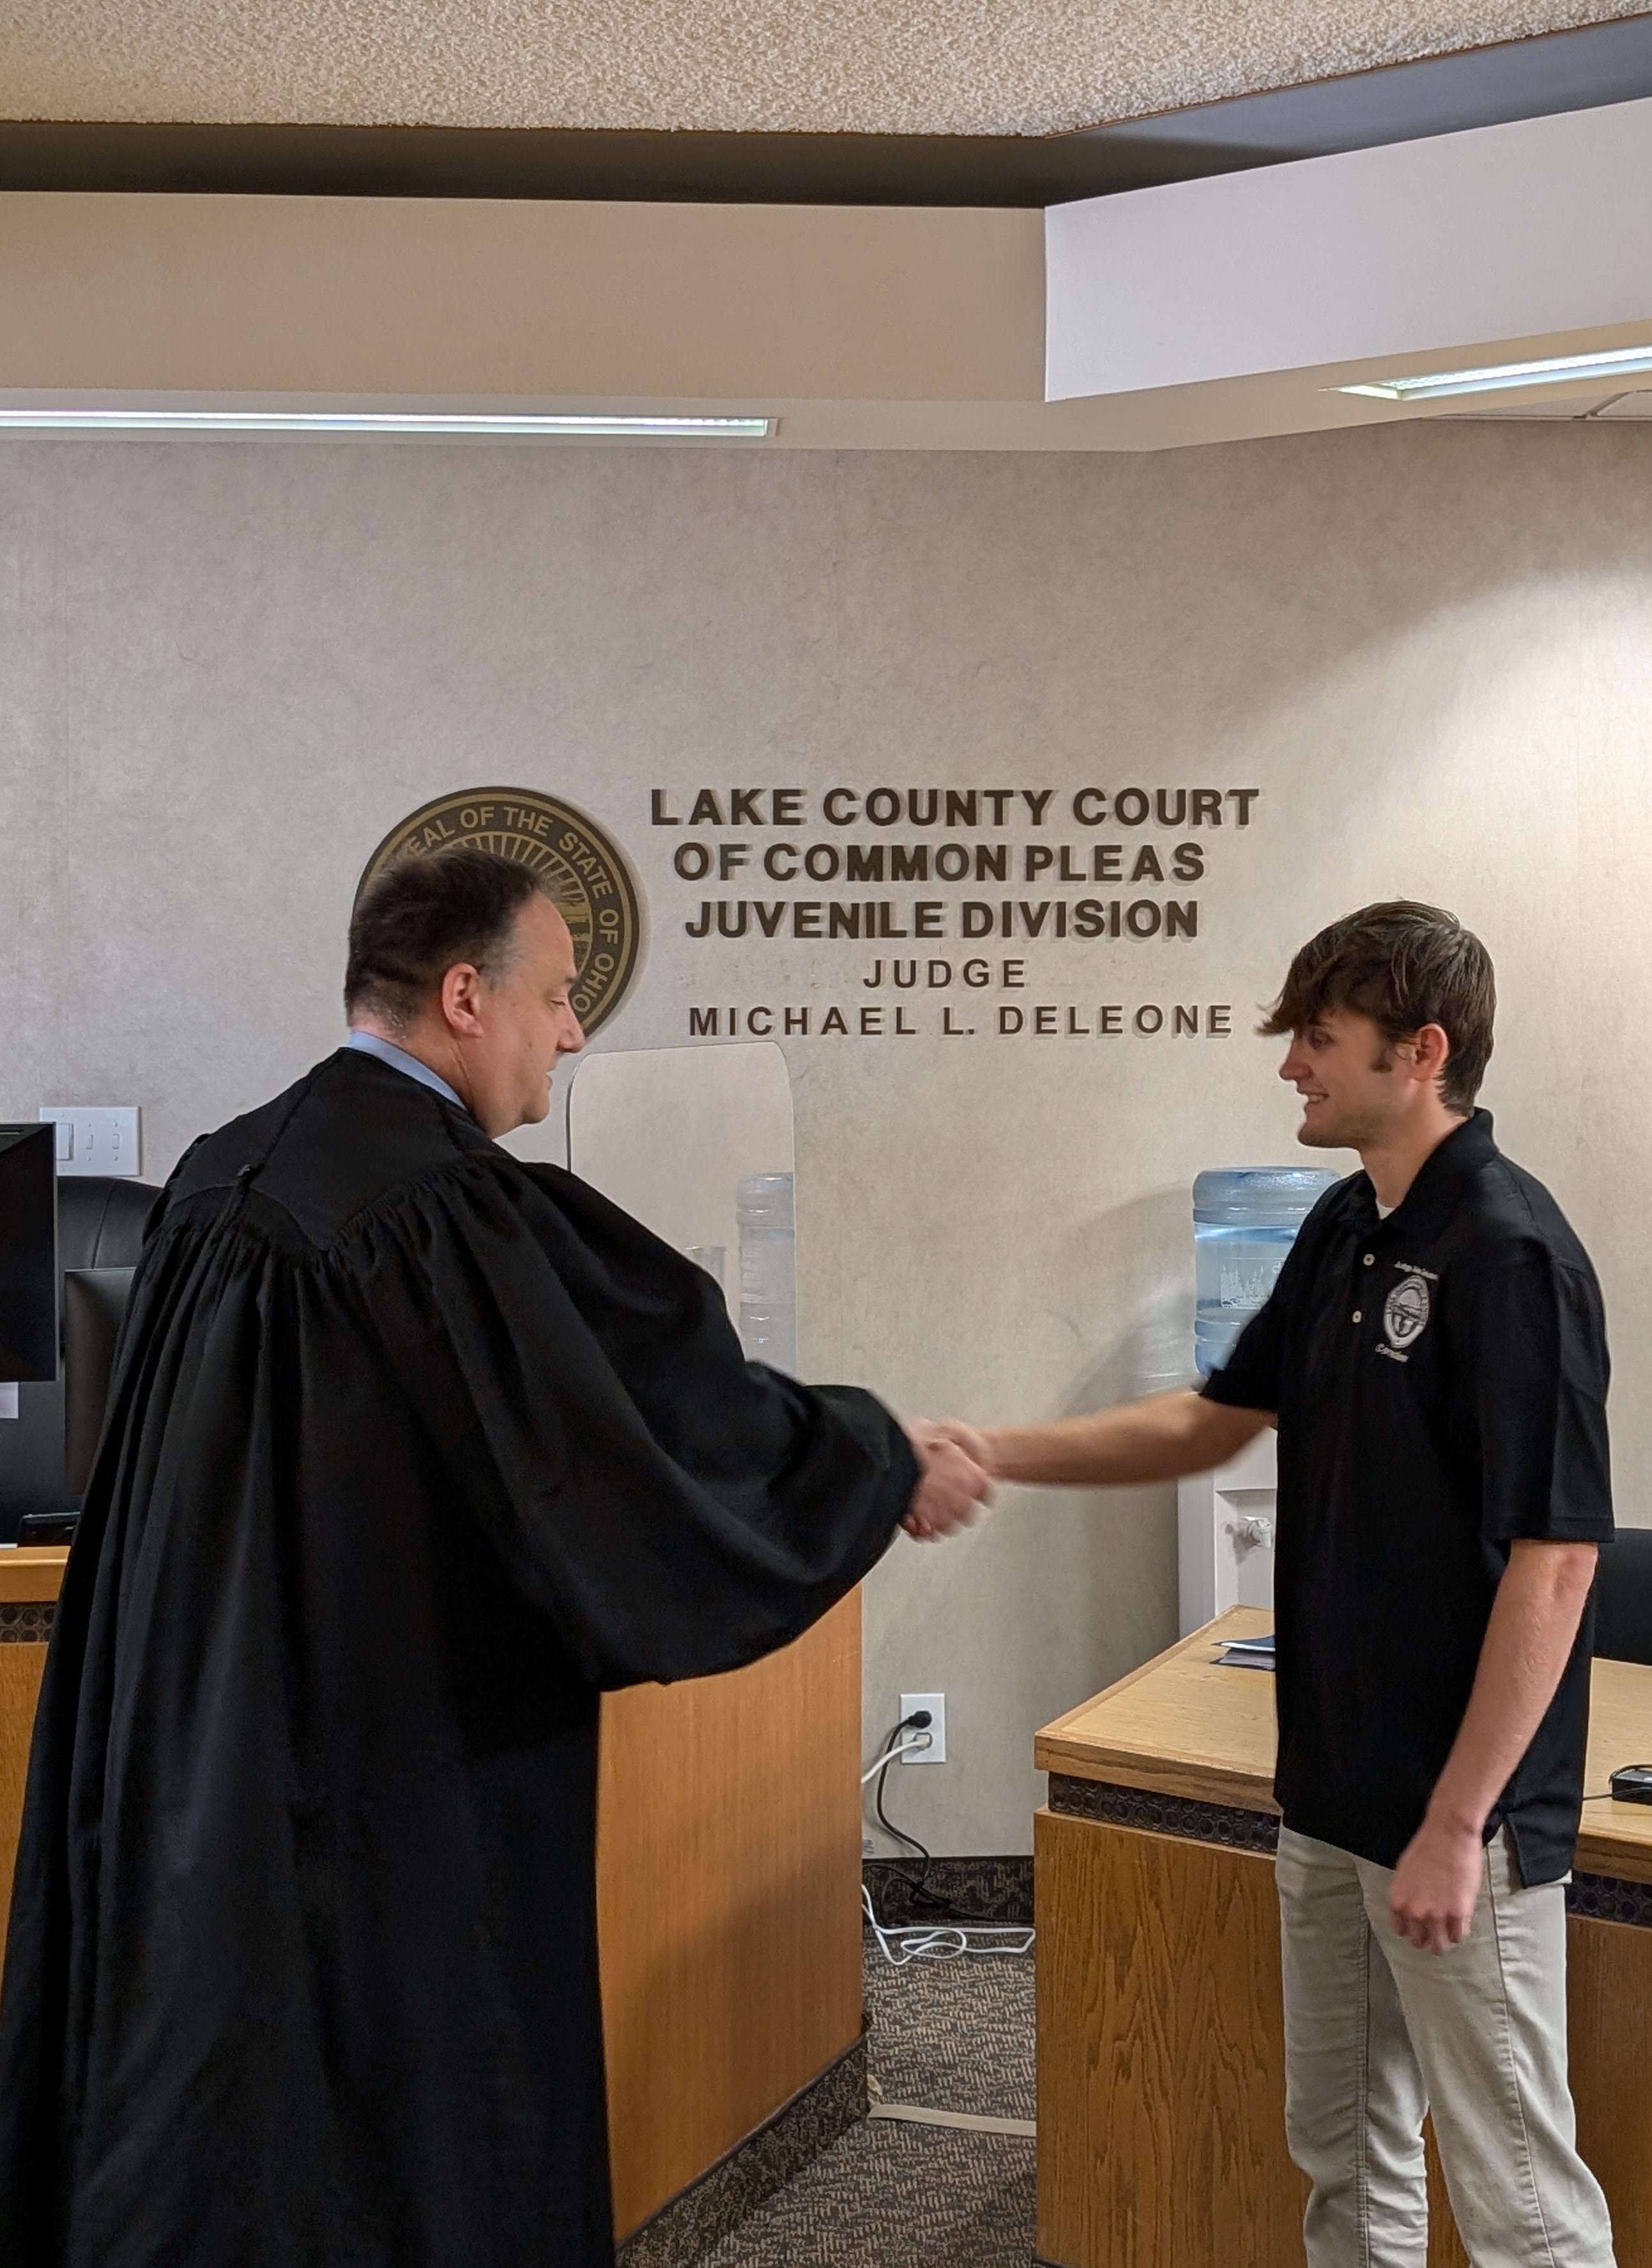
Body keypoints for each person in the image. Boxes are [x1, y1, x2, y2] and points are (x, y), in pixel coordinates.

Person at [0, 846, 989, 2268]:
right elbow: (629, 1439)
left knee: (209, 2103)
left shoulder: (222, 1176)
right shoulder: (436, 1209)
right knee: (381, 2127)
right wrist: (871, 1454)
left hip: (190, 1756)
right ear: (468, 995)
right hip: (375, 1777)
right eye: (562, 993)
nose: (577, 1034)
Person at [928, 901, 1617, 2268]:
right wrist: (983, 1448)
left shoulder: (1511, 1253)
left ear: (1421, 1052)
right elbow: (1207, 1424)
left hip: (1457, 1823)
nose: (1289, 1065)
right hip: (1331, 1794)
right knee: (1345, 2161)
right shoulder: (1348, 1227)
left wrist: (1456, 1821)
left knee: (1519, 2200)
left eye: (1319, 1037)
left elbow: (1558, 1560)